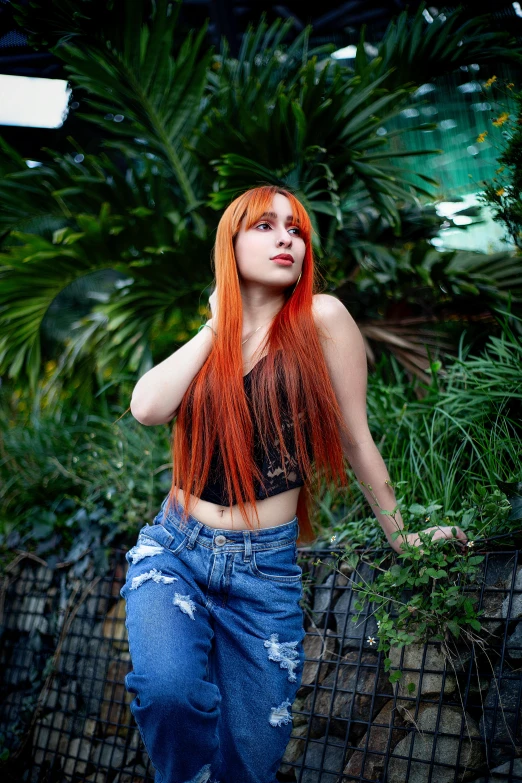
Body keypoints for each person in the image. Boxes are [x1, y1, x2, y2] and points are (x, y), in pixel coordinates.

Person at [120, 185, 467, 783]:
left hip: (265, 571)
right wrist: (220, 320)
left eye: (296, 229)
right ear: (230, 245)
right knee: (168, 691)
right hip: (176, 550)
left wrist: (404, 538)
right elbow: (148, 407)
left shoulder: (321, 319)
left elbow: (357, 440)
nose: (287, 238)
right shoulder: (213, 340)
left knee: (253, 756)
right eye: (265, 226)